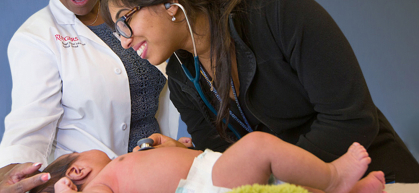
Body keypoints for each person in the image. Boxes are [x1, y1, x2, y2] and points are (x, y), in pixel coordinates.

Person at [101, 0, 419, 183]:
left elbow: (350, 120)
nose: (125, 43)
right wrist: (185, 156)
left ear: (169, 2)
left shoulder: (276, 10)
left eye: (124, 22)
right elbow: (225, 161)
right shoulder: (183, 78)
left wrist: (275, 171)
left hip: (375, 174)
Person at [0, 0, 179, 192]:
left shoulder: (132, 10)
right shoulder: (36, 37)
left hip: (154, 169)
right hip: (95, 181)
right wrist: (9, 171)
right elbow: (30, 121)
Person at [30, 132, 385, 193]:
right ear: (77, 171)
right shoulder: (100, 183)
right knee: (259, 146)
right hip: (207, 184)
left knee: (286, 187)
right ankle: (334, 177)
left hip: (208, 169)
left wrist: (176, 149)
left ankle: (346, 190)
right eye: (79, 152)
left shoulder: (121, 166)